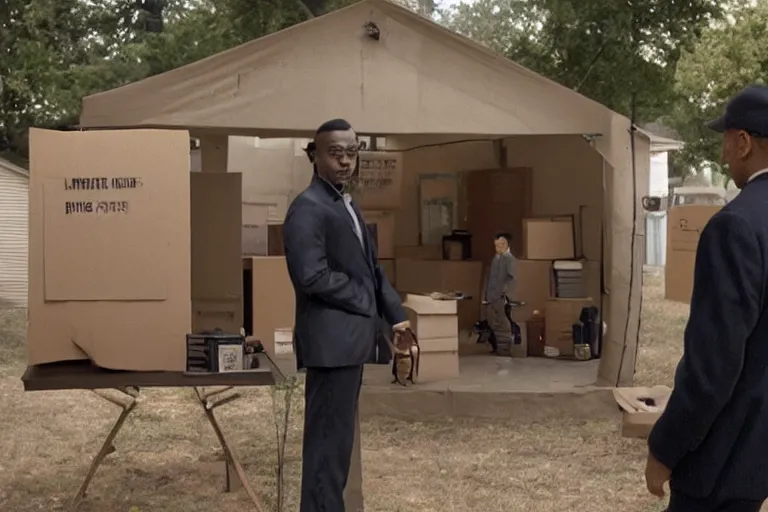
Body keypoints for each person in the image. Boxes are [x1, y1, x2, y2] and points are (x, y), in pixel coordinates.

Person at [645, 84, 768, 512]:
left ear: (744, 142)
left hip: (723, 461)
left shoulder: (734, 226)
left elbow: (713, 367)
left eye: (725, 141)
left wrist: (664, 449)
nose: (722, 156)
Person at [283, 118, 409, 512]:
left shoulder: (346, 203)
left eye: (352, 153)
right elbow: (311, 275)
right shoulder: (307, 208)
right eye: (335, 153)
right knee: (326, 451)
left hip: (348, 345)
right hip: (330, 346)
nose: (345, 161)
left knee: (337, 450)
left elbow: (371, 268)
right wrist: (365, 301)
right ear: (314, 155)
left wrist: (396, 315)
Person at [481, 232, 517, 356]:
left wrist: (504, 293)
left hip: (500, 296)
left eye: (502, 244)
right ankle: (498, 348)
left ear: (507, 244)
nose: (499, 247)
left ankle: (505, 350)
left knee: (502, 323)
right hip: (491, 296)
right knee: (492, 322)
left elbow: (511, 278)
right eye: (497, 245)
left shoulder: (509, 259)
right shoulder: (496, 258)